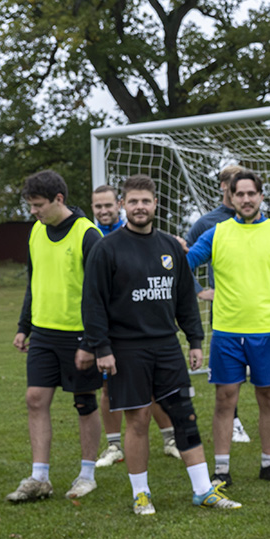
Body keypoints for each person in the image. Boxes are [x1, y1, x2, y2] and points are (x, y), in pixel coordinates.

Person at [76, 174, 241, 515]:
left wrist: (195, 340)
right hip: (126, 349)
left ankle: (202, 489)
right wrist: (101, 348)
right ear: (123, 205)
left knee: (185, 416)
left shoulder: (170, 247)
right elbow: (93, 303)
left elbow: (185, 299)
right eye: (133, 201)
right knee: (138, 421)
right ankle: (141, 493)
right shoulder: (106, 249)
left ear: (155, 204)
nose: (139, 207)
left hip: (167, 347)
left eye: (145, 201)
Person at [185, 169, 270, 486]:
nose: (246, 199)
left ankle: (268, 465)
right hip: (226, 333)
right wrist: (195, 288)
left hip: (268, 334)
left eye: (252, 194)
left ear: (261, 197)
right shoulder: (217, 233)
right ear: (231, 197)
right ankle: (221, 470)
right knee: (225, 400)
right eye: (240, 194)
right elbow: (186, 264)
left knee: (269, 400)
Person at [6, 170, 103, 503]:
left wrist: (92, 342)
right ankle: (39, 477)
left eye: (38, 205)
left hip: (79, 336)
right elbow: (34, 282)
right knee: (35, 398)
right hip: (44, 334)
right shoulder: (36, 231)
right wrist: (24, 326)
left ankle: (87, 475)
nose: (34, 211)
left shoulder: (88, 234)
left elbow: (101, 294)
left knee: (84, 403)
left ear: (58, 200)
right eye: (31, 205)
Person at [89, 183, 182, 467]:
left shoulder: (135, 234)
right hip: (108, 330)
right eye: (98, 207)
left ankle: (170, 438)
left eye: (108, 205)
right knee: (108, 390)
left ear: (118, 205)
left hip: (142, 331)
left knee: (154, 389)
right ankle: (114, 445)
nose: (104, 211)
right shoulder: (92, 237)